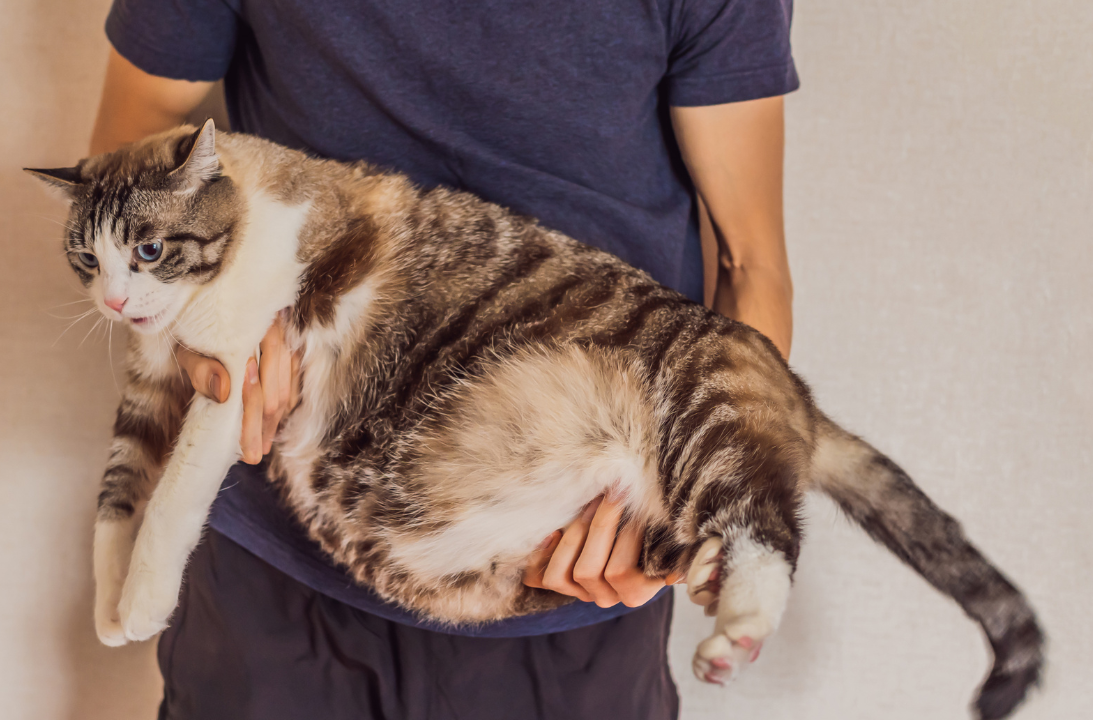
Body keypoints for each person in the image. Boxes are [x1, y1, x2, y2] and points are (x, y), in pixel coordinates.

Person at [88, 1, 797, 717]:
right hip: (278, 554)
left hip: (569, 569)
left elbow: (752, 263)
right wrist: (195, 322)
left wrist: (675, 514)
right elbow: (132, 141)